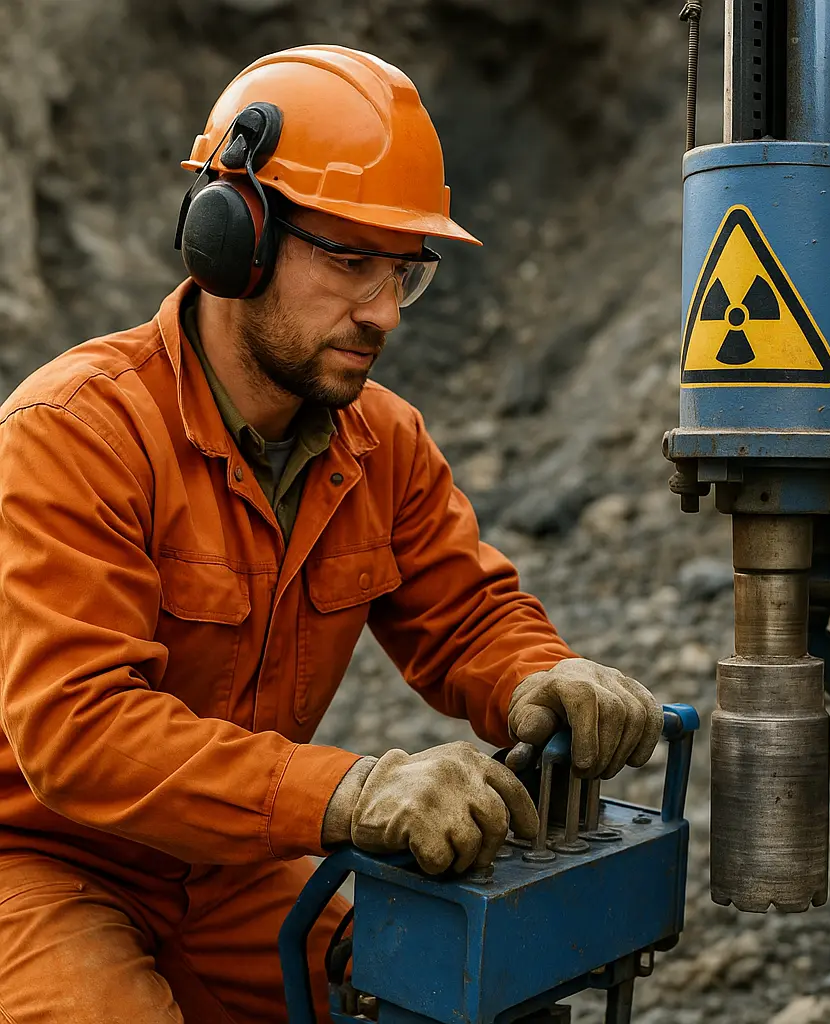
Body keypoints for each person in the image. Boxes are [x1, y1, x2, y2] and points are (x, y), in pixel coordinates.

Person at [0, 45, 662, 1023]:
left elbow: (465, 615)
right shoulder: (76, 432)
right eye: (352, 263)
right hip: (38, 860)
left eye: (405, 275)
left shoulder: (382, 443)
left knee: (425, 990)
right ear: (234, 236)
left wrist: (540, 675)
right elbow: (79, 732)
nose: (384, 314)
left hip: (226, 866)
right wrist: (348, 793)